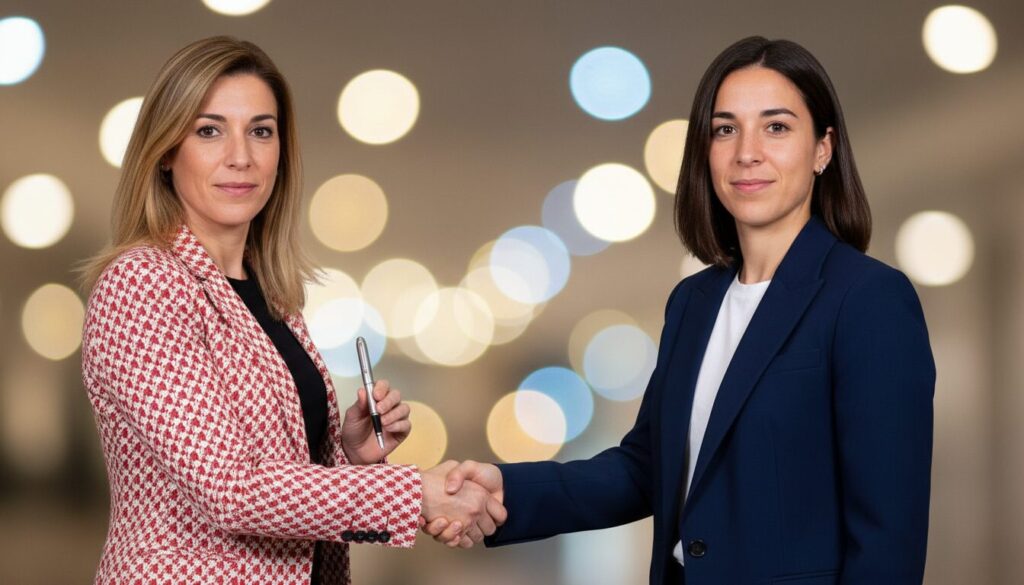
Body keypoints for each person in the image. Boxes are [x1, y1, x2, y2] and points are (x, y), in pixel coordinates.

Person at [425, 36, 935, 584]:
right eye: (725, 128)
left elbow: (887, 542)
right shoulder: (695, 302)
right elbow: (646, 468)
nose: (747, 152)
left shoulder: (867, 299)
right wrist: (506, 492)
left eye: (777, 127)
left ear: (823, 149)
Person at [80, 36, 504, 585]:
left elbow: (276, 479)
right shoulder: (143, 284)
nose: (241, 156)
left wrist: (349, 455)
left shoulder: (271, 294)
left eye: (261, 130)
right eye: (209, 130)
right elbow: (231, 491)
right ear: (165, 151)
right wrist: (414, 494)